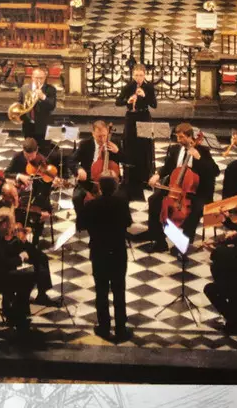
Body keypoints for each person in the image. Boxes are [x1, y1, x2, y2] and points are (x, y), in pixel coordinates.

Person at [136, 122, 219, 253]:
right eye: (177, 137)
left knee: (194, 211)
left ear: (190, 136)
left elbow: (215, 171)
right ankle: (159, 240)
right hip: (175, 187)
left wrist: (199, 158)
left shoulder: (202, 151)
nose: (179, 140)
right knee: (154, 200)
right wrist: (157, 175)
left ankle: (182, 244)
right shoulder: (175, 149)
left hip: (197, 191)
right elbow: (168, 167)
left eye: (182, 137)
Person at [79, 176, 133, 343]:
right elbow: (128, 223)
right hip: (118, 252)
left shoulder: (91, 205)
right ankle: (121, 328)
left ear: (100, 188)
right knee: (119, 290)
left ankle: (104, 327)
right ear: (115, 188)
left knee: (101, 291)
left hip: (99, 251)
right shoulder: (121, 203)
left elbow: (80, 225)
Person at [70, 120, 127, 228]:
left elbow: (128, 161)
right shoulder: (85, 144)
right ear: (93, 134)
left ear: (108, 133)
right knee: (77, 198)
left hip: (111, 185)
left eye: (104, 136)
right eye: (99, 136)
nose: (102, 139)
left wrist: (118, 152)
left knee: (123, 198)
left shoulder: (114, 143)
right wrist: (79, 169)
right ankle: (83, 223)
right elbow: (71, 160)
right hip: (89, 182)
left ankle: (116, 225)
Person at [3, 138, 57, 246]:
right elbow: (6, 173)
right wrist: (19, 176)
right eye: (27, 156)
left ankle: (35, 239)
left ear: (36, 151)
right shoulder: (17, 157)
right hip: (21, 194)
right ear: (23, 151)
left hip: (38, 195)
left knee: (40, 214)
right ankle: (19, 237)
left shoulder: (42, 161)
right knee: (18, 212)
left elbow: (46, 188)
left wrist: (53, 184)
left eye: (32, 156)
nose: (30, 159)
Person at [116, 64, 157, 201]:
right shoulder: (128, 86)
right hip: (131, 118)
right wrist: (127, 100)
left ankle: (146, 178)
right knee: (130, 146)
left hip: (144, 116)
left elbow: (154, 105)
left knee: (145, 147)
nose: (138, 78)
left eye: (141, 75)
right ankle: (130, 178)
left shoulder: (149, 87)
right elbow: (118, 102)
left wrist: (144, 95)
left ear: (145, 75)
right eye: (136, 75)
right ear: (132, 75)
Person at [17, 67, 57, 151]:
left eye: (41, 78)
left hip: (43, 127)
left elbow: (52, 106)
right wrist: (18, 115)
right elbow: (20, 104)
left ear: (45, 78)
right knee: (29, 150)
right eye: (36, 78)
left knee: (44, 150)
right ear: (32, 77)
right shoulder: (24, 88)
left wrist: (43, 97)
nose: (39, 80)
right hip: (28, 125)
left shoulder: (51, 89)